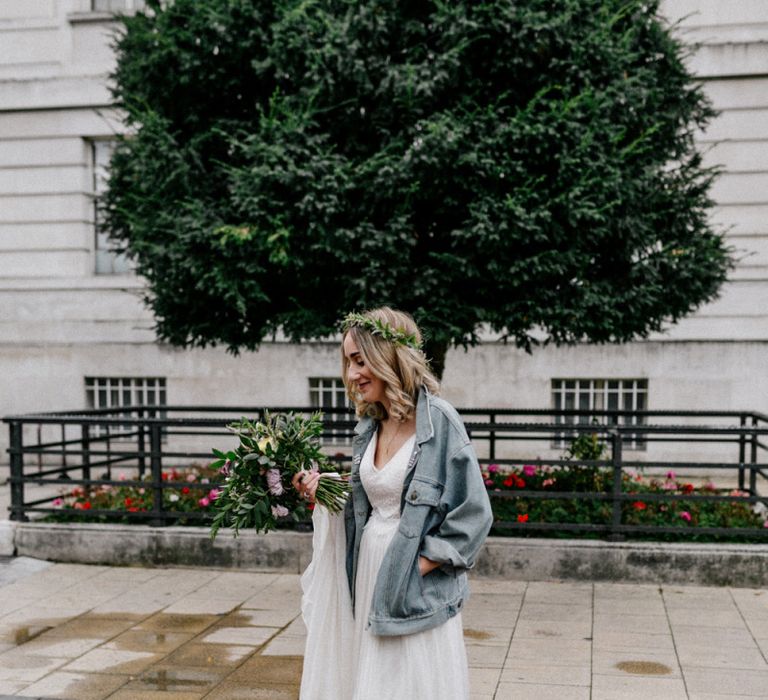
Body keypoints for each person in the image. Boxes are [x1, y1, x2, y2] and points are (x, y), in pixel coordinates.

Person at [293, 307, 493, 700]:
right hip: (369, 570)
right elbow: (376, 496)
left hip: (412, 586)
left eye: (360, 360)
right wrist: (325, 492)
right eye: (348, 362)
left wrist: (417, 566)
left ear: (389, 357)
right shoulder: (370, 423)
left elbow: (474, 515)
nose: (351, 374)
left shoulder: (439, 422)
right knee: (374, 683)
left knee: (406, 686)